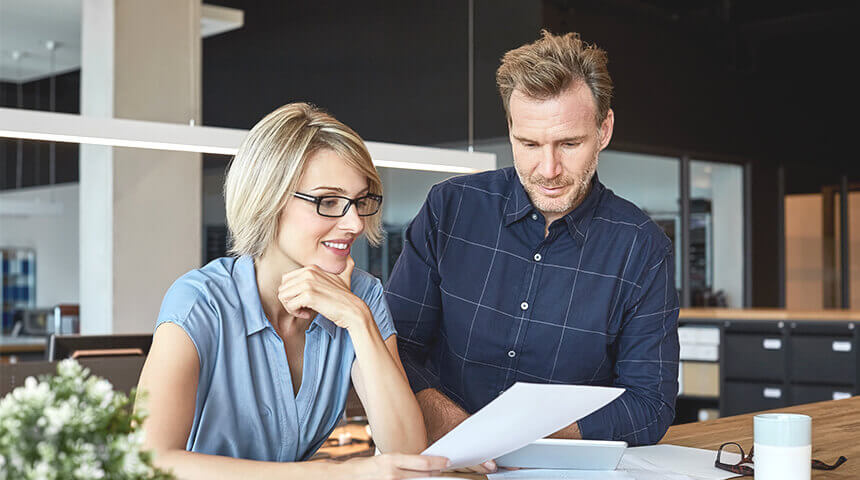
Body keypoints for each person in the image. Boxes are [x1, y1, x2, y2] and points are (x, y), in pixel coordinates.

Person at [386, 30, 680, 473]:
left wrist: (517, 438)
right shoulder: (450, 208)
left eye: (569, 143)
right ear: (510, 131)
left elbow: (650, 404)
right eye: (529, 144)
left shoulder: (642, 247)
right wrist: (455, 428)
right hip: (442, 465)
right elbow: (396, 347)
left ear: (604, 130)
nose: (549, 169)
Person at [135, 103, 449, 479]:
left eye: (360, 201)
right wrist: (340, 474)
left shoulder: (362, 296)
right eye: (328, 202)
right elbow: (149, 462)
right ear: (269, 200)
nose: (353, 223)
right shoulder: (200, 302)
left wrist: (357, 319)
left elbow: (406, 451)